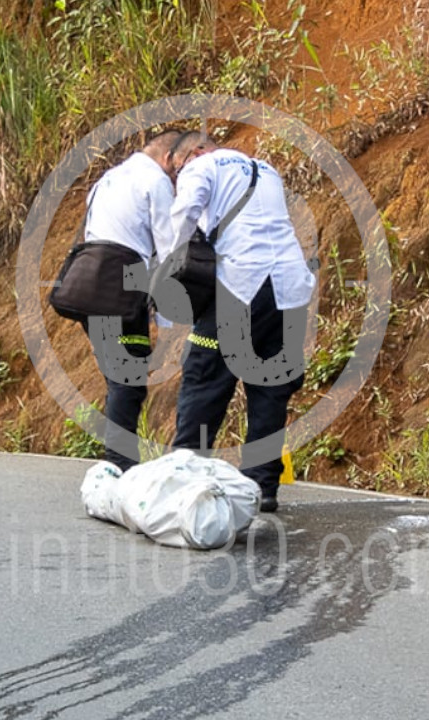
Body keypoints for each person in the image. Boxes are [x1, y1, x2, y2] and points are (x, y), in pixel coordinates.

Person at [162, 132, 315, 513]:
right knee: (270, 388)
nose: (181, 174)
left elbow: (185, 212)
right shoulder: (266, 169)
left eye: (178, 168)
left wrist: (170, 264)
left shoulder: (203, 166)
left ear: (194, 153)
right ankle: (262, 487)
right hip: (288, 291)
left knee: (205, 376)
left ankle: (186, 474)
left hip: (241, 286)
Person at [78, 130, 180, 471]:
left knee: (117, 376)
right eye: (177, 170)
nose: (177, 179)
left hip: (88, 286)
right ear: (168, 159)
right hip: (122, 286)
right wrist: (168, 323)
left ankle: (118, 462)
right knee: (129, 379)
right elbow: (168, 252)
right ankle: (120, 466)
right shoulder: (155, 182)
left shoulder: (107, 179)